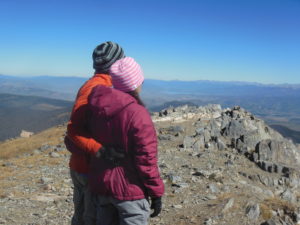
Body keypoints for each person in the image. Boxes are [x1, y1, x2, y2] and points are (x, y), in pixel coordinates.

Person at [87, 57, 164, 225]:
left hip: (103, 187)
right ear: (135, 82)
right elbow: (146, 160)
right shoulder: (137, 114)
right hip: (130, 192)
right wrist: (156, 192)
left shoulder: (97, 106)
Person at [65, 41, 125, 225]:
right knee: (88, 219)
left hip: (85, 167)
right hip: (88, 170)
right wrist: (101, 150)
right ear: (114, 64)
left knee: (86, 216)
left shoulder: (100, 85)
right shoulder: (95, 89)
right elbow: (73, 129)